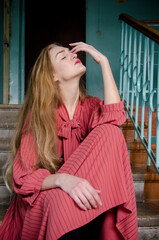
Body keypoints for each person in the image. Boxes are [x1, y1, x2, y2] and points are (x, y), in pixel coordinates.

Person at [0, 42, 138, 240]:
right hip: (46, 199)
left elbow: (115, 118)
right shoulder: (39, 115)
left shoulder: (91, 107)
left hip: (84, 196)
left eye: (69, 52)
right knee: (61, 201)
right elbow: (23, 178)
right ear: (52, 77)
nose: (72, 55)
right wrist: (64, 180)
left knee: (111, 131)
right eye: (62, 57)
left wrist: (104, 62)